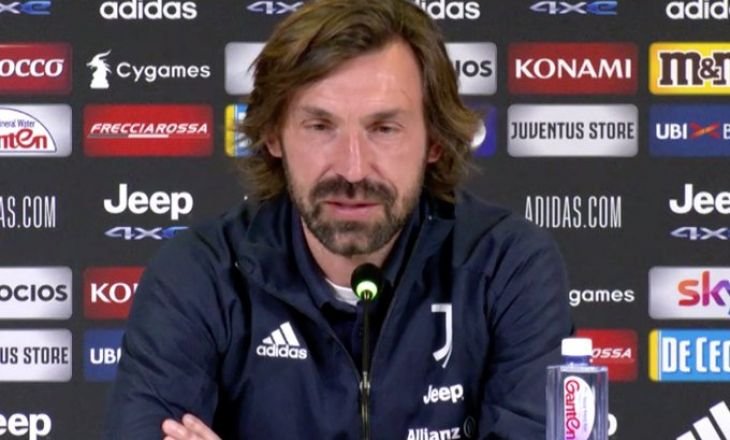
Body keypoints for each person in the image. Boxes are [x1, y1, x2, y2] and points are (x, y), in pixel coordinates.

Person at [104, 0, 573, 438]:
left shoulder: (507, 265)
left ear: (434, 140)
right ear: (273, 135)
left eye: (384, 129)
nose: (352, 169)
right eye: (320, 126)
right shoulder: (199, 273)